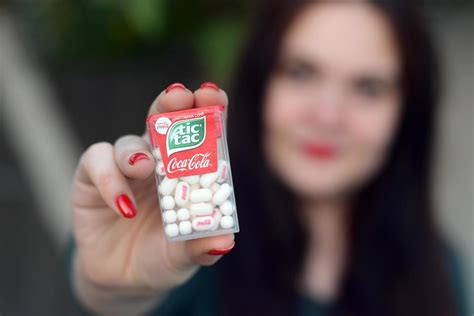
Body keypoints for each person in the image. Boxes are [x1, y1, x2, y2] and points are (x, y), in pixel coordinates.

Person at [68, 0, 468, 315]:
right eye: (300, 72)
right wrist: (115, 287)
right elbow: (112, 292)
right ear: (259, 83)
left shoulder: (437, 269)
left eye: (368, 87)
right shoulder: (193, 237)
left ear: (408, 112)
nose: (327, 115)